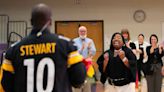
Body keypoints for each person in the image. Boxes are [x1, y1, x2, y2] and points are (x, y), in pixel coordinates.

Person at [0, 3, 86, 92]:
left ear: (31, 21)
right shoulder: (66, 45)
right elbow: (78, 79)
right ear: (50, 21)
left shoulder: (13, 50)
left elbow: (6, 85)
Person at [73, 26, 96, 92]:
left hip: (87, 66)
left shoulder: (90, 40)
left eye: (84, 31)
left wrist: (89, 49)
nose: (82, 33)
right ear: (78, 32)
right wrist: (81, 49)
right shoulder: (74, 41)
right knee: (77, 87)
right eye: (81, 31)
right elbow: (73, 53)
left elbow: (93, 52)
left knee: (87, 87)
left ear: (86, 32)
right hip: (77, 66)